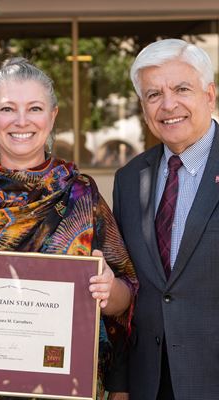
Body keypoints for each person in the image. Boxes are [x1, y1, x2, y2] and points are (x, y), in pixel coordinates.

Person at [0, 57, 138, 400]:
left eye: (35, 108)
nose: (21, 121)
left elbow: (125, 295)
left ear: (52, 116)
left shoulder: (81, 194)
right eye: (7, 109)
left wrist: (109, 291)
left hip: (67, 386)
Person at [113, 38, 218, 399]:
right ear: (143, 107)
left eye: (181, 88)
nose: (168, 104)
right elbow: (127, 283)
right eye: (153, 94)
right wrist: (119, 384)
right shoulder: (129, 180)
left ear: (210, 94)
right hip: (150, 382)